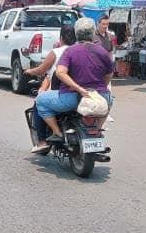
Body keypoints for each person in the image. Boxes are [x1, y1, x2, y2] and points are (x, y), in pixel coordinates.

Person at [35, 17, 114, 142]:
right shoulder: (103, 51)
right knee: (109, 101)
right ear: (93, 33)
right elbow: (109, 74)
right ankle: (97, 130)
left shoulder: (70, 51)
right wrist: (99, 89)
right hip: (100, 97)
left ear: (76, 34)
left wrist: (79, 89)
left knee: (40, 100)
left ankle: (57, 132)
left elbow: (60, 73)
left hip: (72, 98)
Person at [25, 24, 76, 153]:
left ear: (61, 37)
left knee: (39, 102)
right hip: (82, 92)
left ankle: (42, 141)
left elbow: (42, 69)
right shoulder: (80, 50)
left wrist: (30, 71)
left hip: (62, 92)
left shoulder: (57, 52)